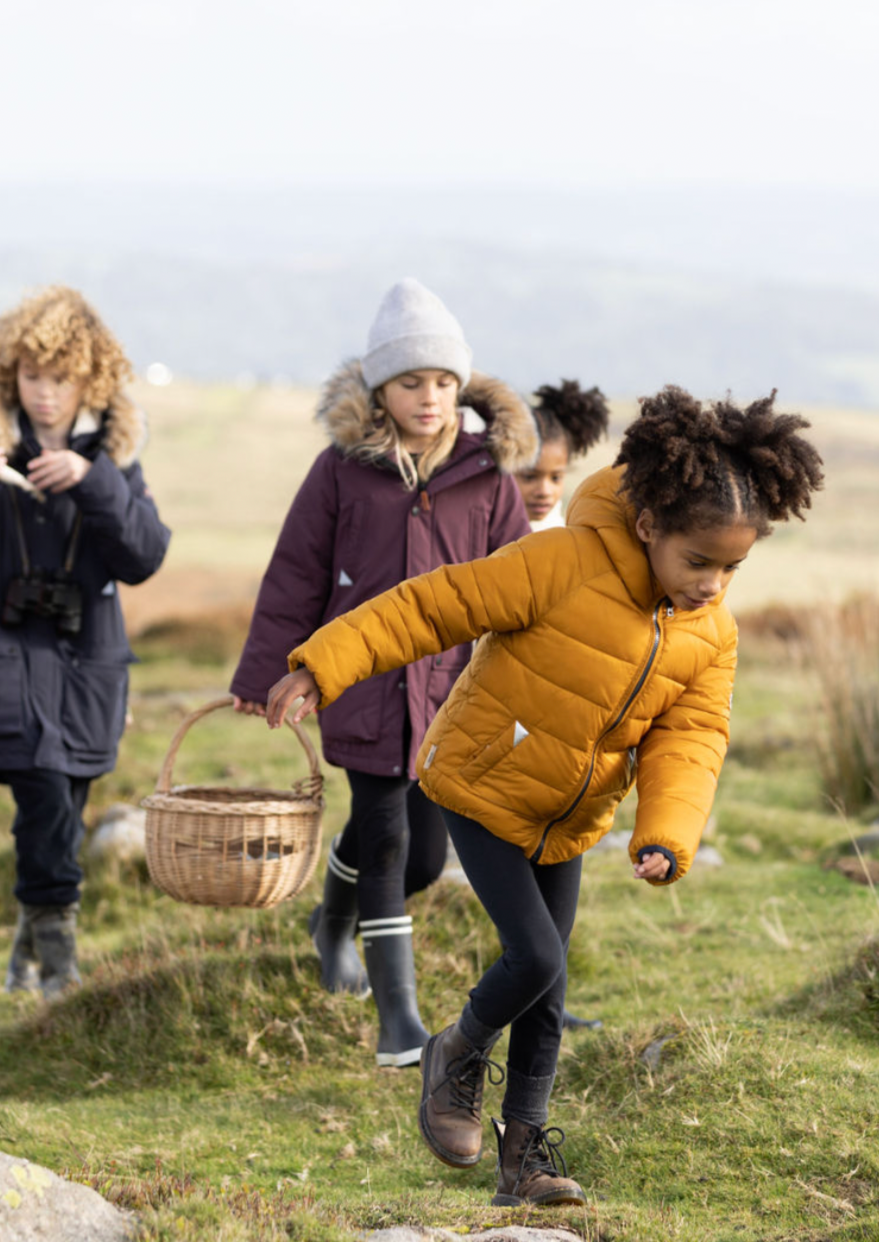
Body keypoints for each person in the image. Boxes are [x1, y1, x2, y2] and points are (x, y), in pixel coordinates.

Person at [264, 384, 823, 1206]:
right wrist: (325, 664)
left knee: (548, 993)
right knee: (536, 956)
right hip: (481, 784)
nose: (712, 583)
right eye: (697, 561)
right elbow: (435, 605)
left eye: (731, 567)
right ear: (646, 527)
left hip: (569, 816)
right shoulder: (560, 564)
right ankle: (453, 1052)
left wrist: (665, 831)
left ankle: (521, 1162)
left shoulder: (711, 635)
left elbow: (691, 738)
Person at [230, 278, 534, 1067]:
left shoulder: (488, 477)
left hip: (453, 692)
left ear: (459, 386)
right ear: (380, 389)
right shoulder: (340, 470)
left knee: (426, 859)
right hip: (360, 685)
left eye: (441, 381)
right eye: (409, 382)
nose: (428, 397)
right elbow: (295, 571)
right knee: (389, 841)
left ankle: (331, 919)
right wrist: (265, 669)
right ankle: (397, 1016)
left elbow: (516, 588)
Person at [0, 286, 171, 997]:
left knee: (64, 809)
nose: (45, 395)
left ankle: (24, 952)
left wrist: (90, 482)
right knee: (42, 790)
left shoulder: (115, 460)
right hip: (11, 664)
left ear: (90, 381)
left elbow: (143, 557)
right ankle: (62, 975)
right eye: (32, 378)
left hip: (89, 669)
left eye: (60, 380)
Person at [515, 378, 610, 1032]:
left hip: (561, 732)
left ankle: (547, 1006)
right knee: (515, 888)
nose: (544, 488)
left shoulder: (571, 538)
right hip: (493, 730)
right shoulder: (484, 536)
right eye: (528, 474)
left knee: (557, 876)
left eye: (556, 474)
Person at [514, 379, 609, 530]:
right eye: (529, 477)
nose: (544, 491)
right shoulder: (485, 533)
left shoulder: (562, 536)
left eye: (555, 478)